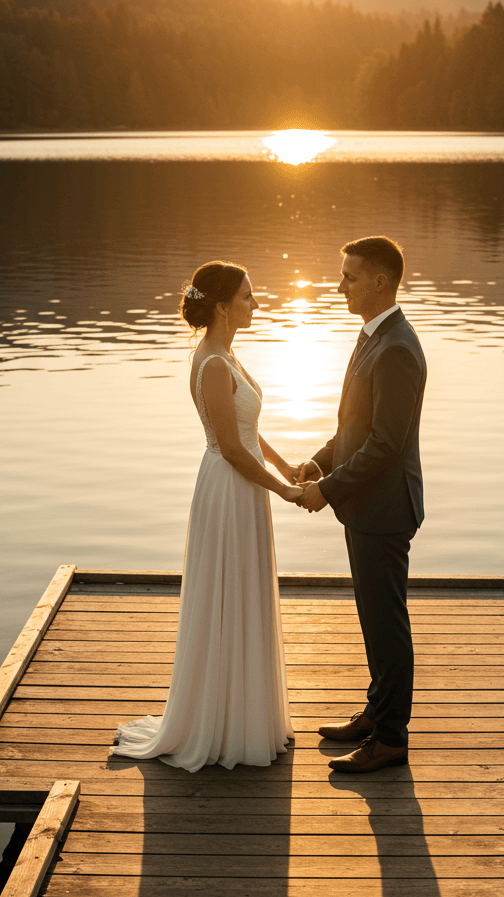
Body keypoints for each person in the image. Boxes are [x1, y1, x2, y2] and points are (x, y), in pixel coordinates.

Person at [111, 261, 301, 771]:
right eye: (247, 295)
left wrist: (287, 466)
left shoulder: (227, 354)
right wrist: (284, 491)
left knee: (243, 589)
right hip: (229, 488)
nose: (256, 304)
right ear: (222, 306)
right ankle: (221, 722)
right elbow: (235, 452)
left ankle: (244, 711)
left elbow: (246, 430)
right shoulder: (213, 364)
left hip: (244, 485)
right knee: (228, 592)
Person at [296, 236, 426, 773]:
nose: (340, 285)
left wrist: (326, 491)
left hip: (385, 509)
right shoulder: (373, 335)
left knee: (386, 621)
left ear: (379, 282)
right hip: (365, 507)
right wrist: (320, 462)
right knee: (373, 618)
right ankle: (377, 712)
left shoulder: (397, 347)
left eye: (349, 276)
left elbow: (385, 444)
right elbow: (355, 426)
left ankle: (391, 738)